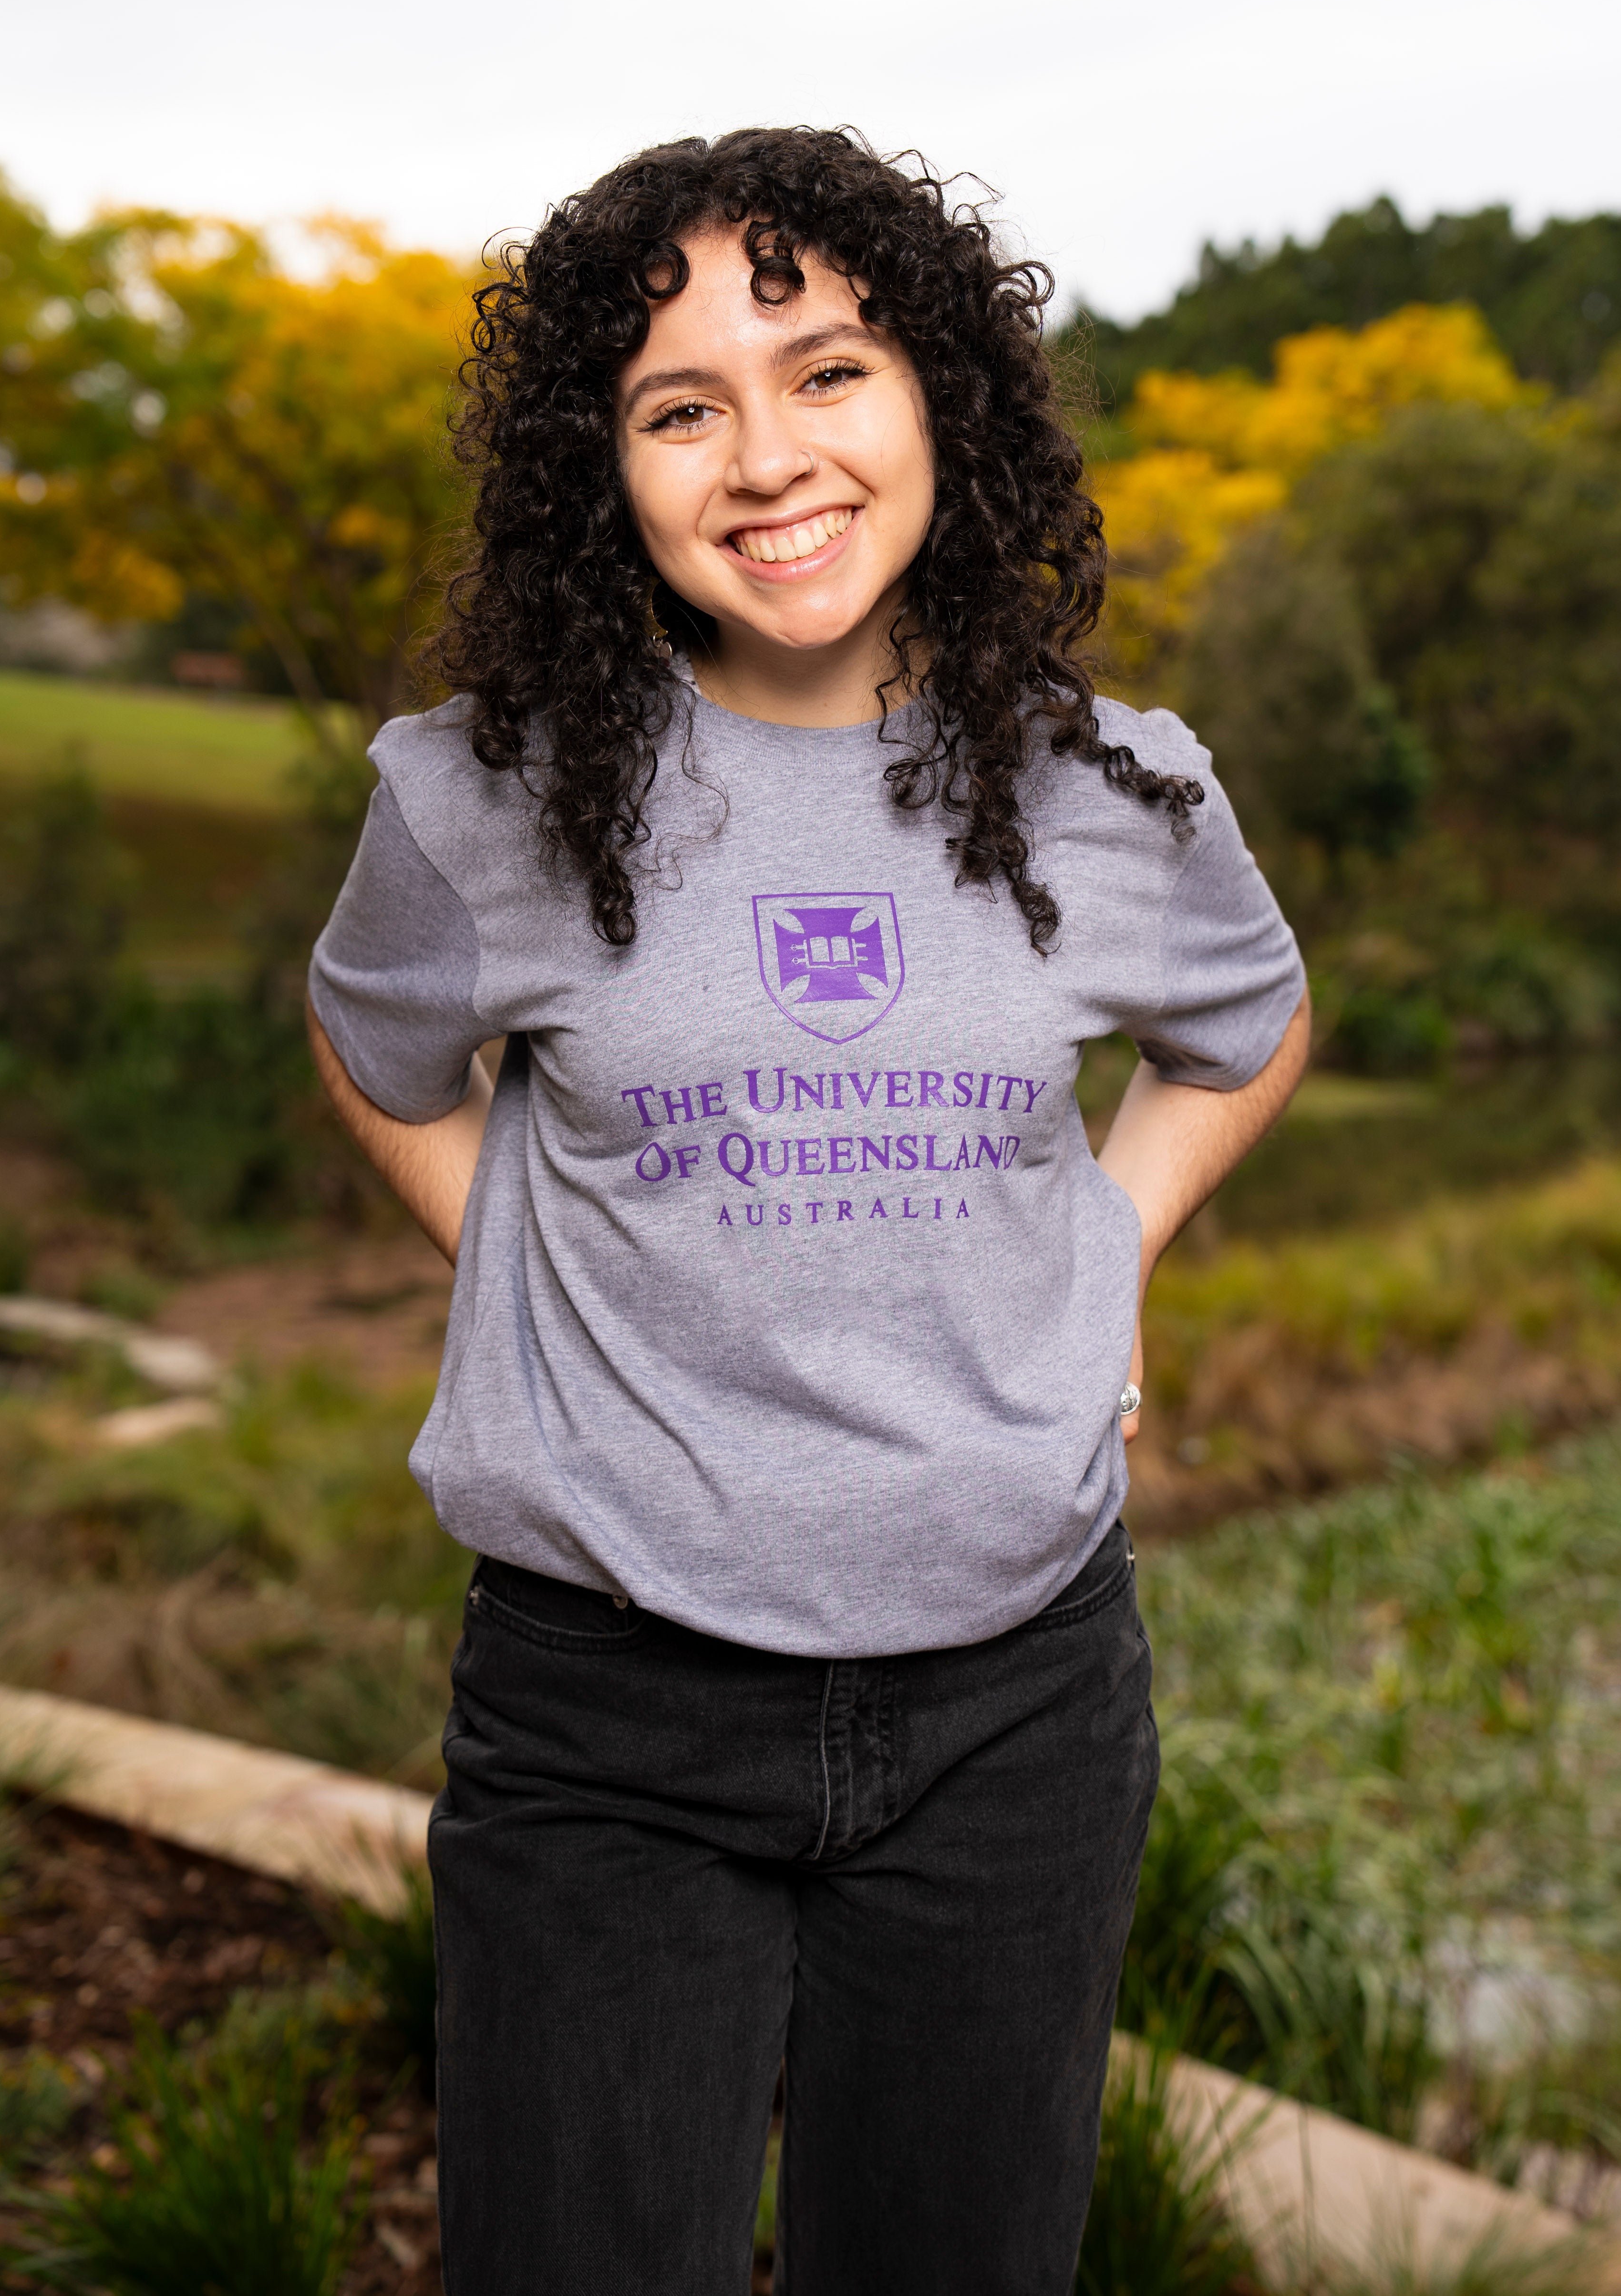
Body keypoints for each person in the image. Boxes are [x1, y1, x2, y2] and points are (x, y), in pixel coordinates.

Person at [307, 125, 1309, 2296]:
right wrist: (533, 1272)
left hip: (1016, 1711)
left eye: (828, 369)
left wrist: (1103, 1250)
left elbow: (1241, 1031)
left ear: (937, 392)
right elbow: (374, 1058)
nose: (765, 456)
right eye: (681, 407)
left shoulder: (1113, 791)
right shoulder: (471, 801)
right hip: (606, 1717)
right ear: (610, 471)